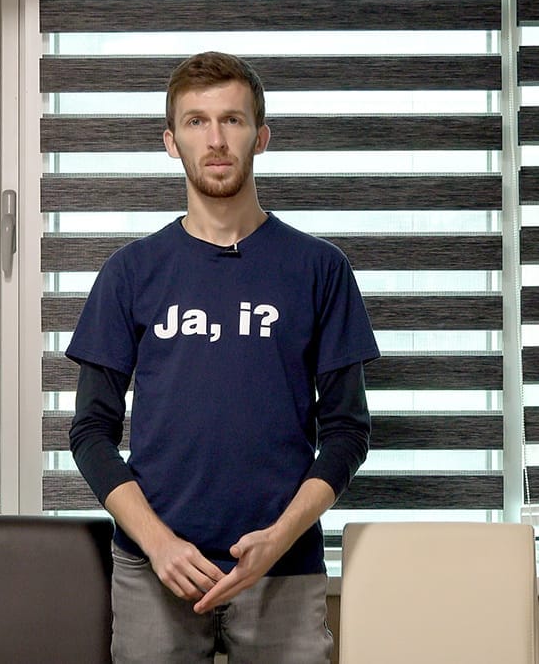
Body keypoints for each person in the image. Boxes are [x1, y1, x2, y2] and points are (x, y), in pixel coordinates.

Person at [67, 51, 380, 663]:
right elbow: (90, 434)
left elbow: (348, 432)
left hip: (283, 571)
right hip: (155, 572)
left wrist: (279, 539)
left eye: (232, 120)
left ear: (260, 137)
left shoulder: (320, 269)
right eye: (196, 121)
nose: (215, 139)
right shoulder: (129, 273)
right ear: (170, 141)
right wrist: (158, 544)